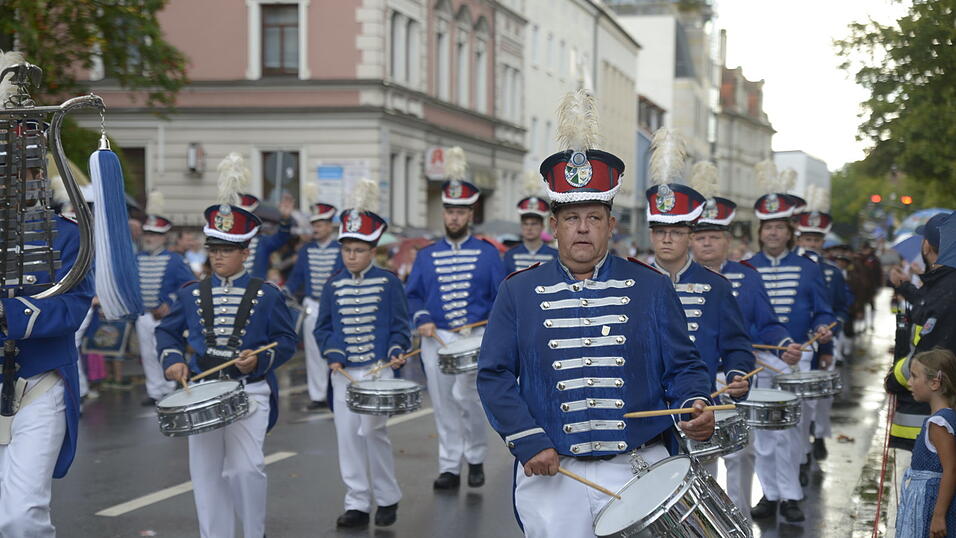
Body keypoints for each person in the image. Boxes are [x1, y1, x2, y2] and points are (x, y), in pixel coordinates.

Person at [477, 97, 715, 538]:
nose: (582, 228)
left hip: (637, 467)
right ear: (554, 225)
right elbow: (493, 376)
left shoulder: (651, 286)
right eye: (571, 218)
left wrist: (695, 402)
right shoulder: (518, 291)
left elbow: (685, 366)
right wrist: (527, 439)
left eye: (593, 217)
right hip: (554, 471)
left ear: (610, 225)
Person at [156, 196, 297, 538]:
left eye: (228, 249)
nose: (218, 255)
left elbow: (286, 340)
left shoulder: (268, 294)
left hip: (249, 392)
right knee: (205, 476)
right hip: (202, 393)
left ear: (246, 251)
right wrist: (173, 361)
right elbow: (167, 332)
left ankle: (253, 532)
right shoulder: (191, 293)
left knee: (246, 470)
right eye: (214, 248)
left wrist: (259, 360)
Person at [0, 131, 94, 534]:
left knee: (21, 517)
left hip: (39, 384)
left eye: (21, 172)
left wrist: (8, 315)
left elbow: (73, 307)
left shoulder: (70, 236)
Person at [690, 189, 804, 518]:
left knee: (740, 453)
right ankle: (704, 520)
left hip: (733, 378)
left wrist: (783, 344)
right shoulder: (674, 279)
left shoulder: (747, 276)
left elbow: (767, 322)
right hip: (692, 381)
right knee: (696, 455)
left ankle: (739, 519)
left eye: (714, 236)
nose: (707, 243)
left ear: (727, 240)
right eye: (701, 237)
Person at [405, 146, 505, 490]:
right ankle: (449, 465)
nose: (453, 218)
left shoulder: (489, 254)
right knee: (444, 404)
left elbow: (501, 299)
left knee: (471, 400)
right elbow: (413, 294)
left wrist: (491, 327)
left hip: (474, 340)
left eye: (460, 212)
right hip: (437, 338)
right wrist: (422, 319)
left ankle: (475, 457)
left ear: (470, 214)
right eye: (449, 211)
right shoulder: (427, 255)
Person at [314, 185, 409, 528]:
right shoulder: (332, 285)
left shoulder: (388, 283)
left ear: (372, 251)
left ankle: (387, 497)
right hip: (344, 373)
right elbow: (322, 328)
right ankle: (356, 501)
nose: (351, 256)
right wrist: (332, 352)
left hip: (377, 371)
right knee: (347, 436)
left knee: (372, 433)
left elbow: (400, 326)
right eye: (347, 250)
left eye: (358, 250)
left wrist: (396, 351)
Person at [745, 166, 834, 523]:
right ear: (760, 231)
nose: (773, 233)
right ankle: (769, 493)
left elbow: (823, 311)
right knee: (763, 431)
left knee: (794, 428)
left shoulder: (810, 267)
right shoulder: (746, 267)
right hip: (761, 358)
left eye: (779, 227)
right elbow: (743, 317)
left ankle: (792, 493)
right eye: (768, 227)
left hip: (798, 356)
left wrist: (821, 332)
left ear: (789, 230)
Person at [887, 212, 956, 451]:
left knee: (920, 486)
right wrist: (905, 286)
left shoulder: (946, 289)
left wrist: (893, 379)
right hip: (929, 415)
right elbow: (926, 306)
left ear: (927, 246)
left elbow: (929, 353)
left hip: (924, 421)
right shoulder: (941, 284)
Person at [794, 210, 851, 461]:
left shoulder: (833, 272)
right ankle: (802, 449)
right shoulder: (793, 269)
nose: (811, 245)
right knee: (799, 401)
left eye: (816, 240)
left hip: (824, 340)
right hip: (798, 344)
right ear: (798, 240)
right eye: (806, 239)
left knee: (822, 397)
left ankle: (819, 435)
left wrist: (830, 335)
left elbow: (840, 308)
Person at [136, 194, 196, 406]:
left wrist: (170, 304)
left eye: (155, 234)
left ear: (163, 237)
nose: (150, 238)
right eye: (148, 233)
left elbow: (189, 285)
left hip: (165, 317)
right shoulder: (138, 259)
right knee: (148, 354)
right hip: (144, 314)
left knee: (164, 352)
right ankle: (154, 391)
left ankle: (169, 388)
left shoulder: (174, 260)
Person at [285, 201, 342, 410]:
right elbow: (296, 276)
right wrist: (286, 290)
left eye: (320, 224)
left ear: (329, 226)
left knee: (335, 349)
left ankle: (335, 391)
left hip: (336, 307)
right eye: (314, 224)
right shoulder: (306, 250)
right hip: (313, 305)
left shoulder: (340, 248)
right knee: (314, 352)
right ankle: (318, 396)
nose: (316, 229)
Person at [895, 348, 956, 538]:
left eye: (914, 376)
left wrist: (938, 516)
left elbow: (951, 469)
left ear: (935, 383)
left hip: (930, 503)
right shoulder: (942, 418)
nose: (909, 382)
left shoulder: (939, 423)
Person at [503, 196, 557, 273]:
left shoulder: (555, 255)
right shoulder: (510, 255)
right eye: (526, 224)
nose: (529, 228)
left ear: (542, 226)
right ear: (521, 226)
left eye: (534, 224)